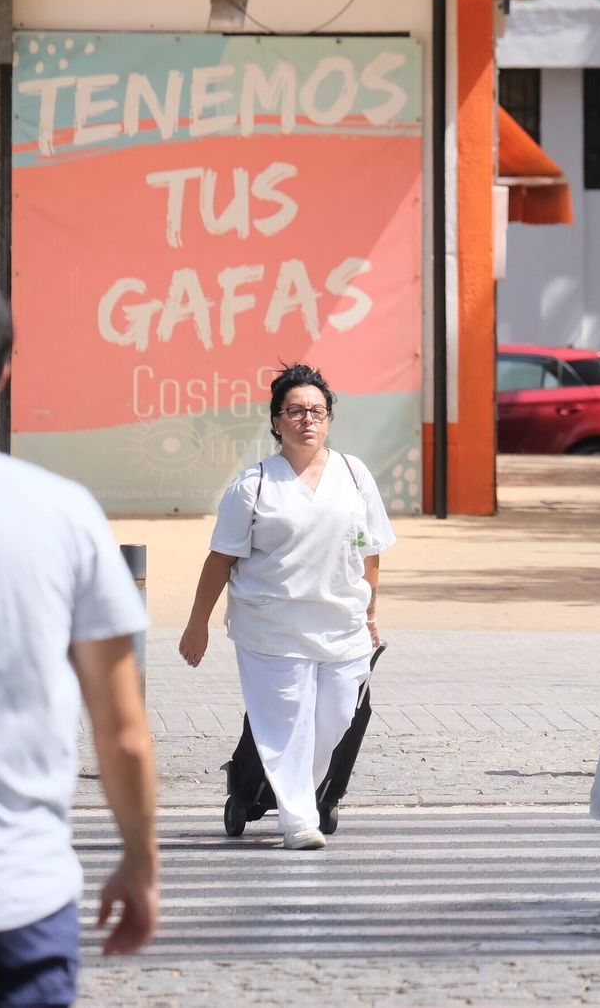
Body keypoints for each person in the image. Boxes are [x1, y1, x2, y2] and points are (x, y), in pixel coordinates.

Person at [0, 264, 159, 1004]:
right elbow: (123, 732)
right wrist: (140, 862)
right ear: (5, 372)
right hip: (13, 905)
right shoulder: (62, 515)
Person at [178, 363, 394, 851]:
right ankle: (298, 819)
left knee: (337, 717)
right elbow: (219, 560)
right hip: (270, 626)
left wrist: (372, 613)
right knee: (286, 721)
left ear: (330, 418)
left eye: (317, 411)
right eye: (295, 411)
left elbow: (370, 551)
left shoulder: (355, 475)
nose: (307, 420)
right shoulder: (254, 484)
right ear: (276, 422)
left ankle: (295, 794)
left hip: (342, 625)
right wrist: (198, 624)